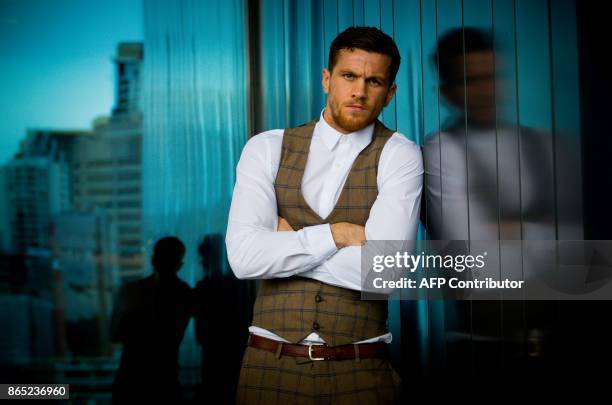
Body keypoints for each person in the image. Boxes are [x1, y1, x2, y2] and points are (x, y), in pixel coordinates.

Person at [226, 26, 423, 404]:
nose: (360, 91)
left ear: (390, 93)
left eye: (374, 81)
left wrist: (284, 244)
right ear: (327, 79)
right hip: (268, 365)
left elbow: (385, 273)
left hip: (361, 370)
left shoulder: (400, 155)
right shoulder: (266, 148)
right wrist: (336, 235)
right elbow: (243, 258)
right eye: (349, 76)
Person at [110, 236, 192, 404]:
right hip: (165, 378)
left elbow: (115, 334)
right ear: (179, 264)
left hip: (132, 376)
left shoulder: (131, 291)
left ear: (153, 259)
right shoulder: (186, 295)